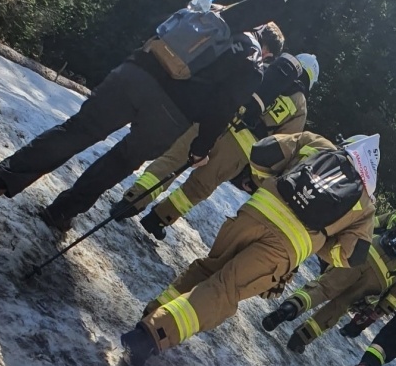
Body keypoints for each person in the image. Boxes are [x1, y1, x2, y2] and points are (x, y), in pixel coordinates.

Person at [0, 0, 285, 232]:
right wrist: (201, 146)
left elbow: (161, 25)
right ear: (268, 50)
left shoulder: (214, 12)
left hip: (136, 73)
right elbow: (223, 104)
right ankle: (61, 212)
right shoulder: (253, 61)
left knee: (77, 130)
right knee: (120, 161)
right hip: (171, 114)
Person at [118, 131, 379, 366]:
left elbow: (263, 152)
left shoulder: (316, 143)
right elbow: (351, 255)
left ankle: (154, 313)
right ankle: (150, 336)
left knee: (209, 268)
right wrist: (319, 242)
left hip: (252, 215)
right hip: (282, 250)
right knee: (223, 290)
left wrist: (266, 184)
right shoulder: (366, 203)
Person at [134, 52, 319, 240]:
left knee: (172, 160)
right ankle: (158, 219)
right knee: (199, 186)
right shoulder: (300, 105)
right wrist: (256, 179)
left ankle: (133, 198)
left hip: (216, 120)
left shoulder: (265, 67)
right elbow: (282, 146)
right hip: (238, 149)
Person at [260, 205, 396, 353]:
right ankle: (300, 338)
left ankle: (287, 309)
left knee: (324, 287)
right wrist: (386, 305)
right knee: (340, 305)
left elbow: (372, 225)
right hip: (379, 279)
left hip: (362, 255)